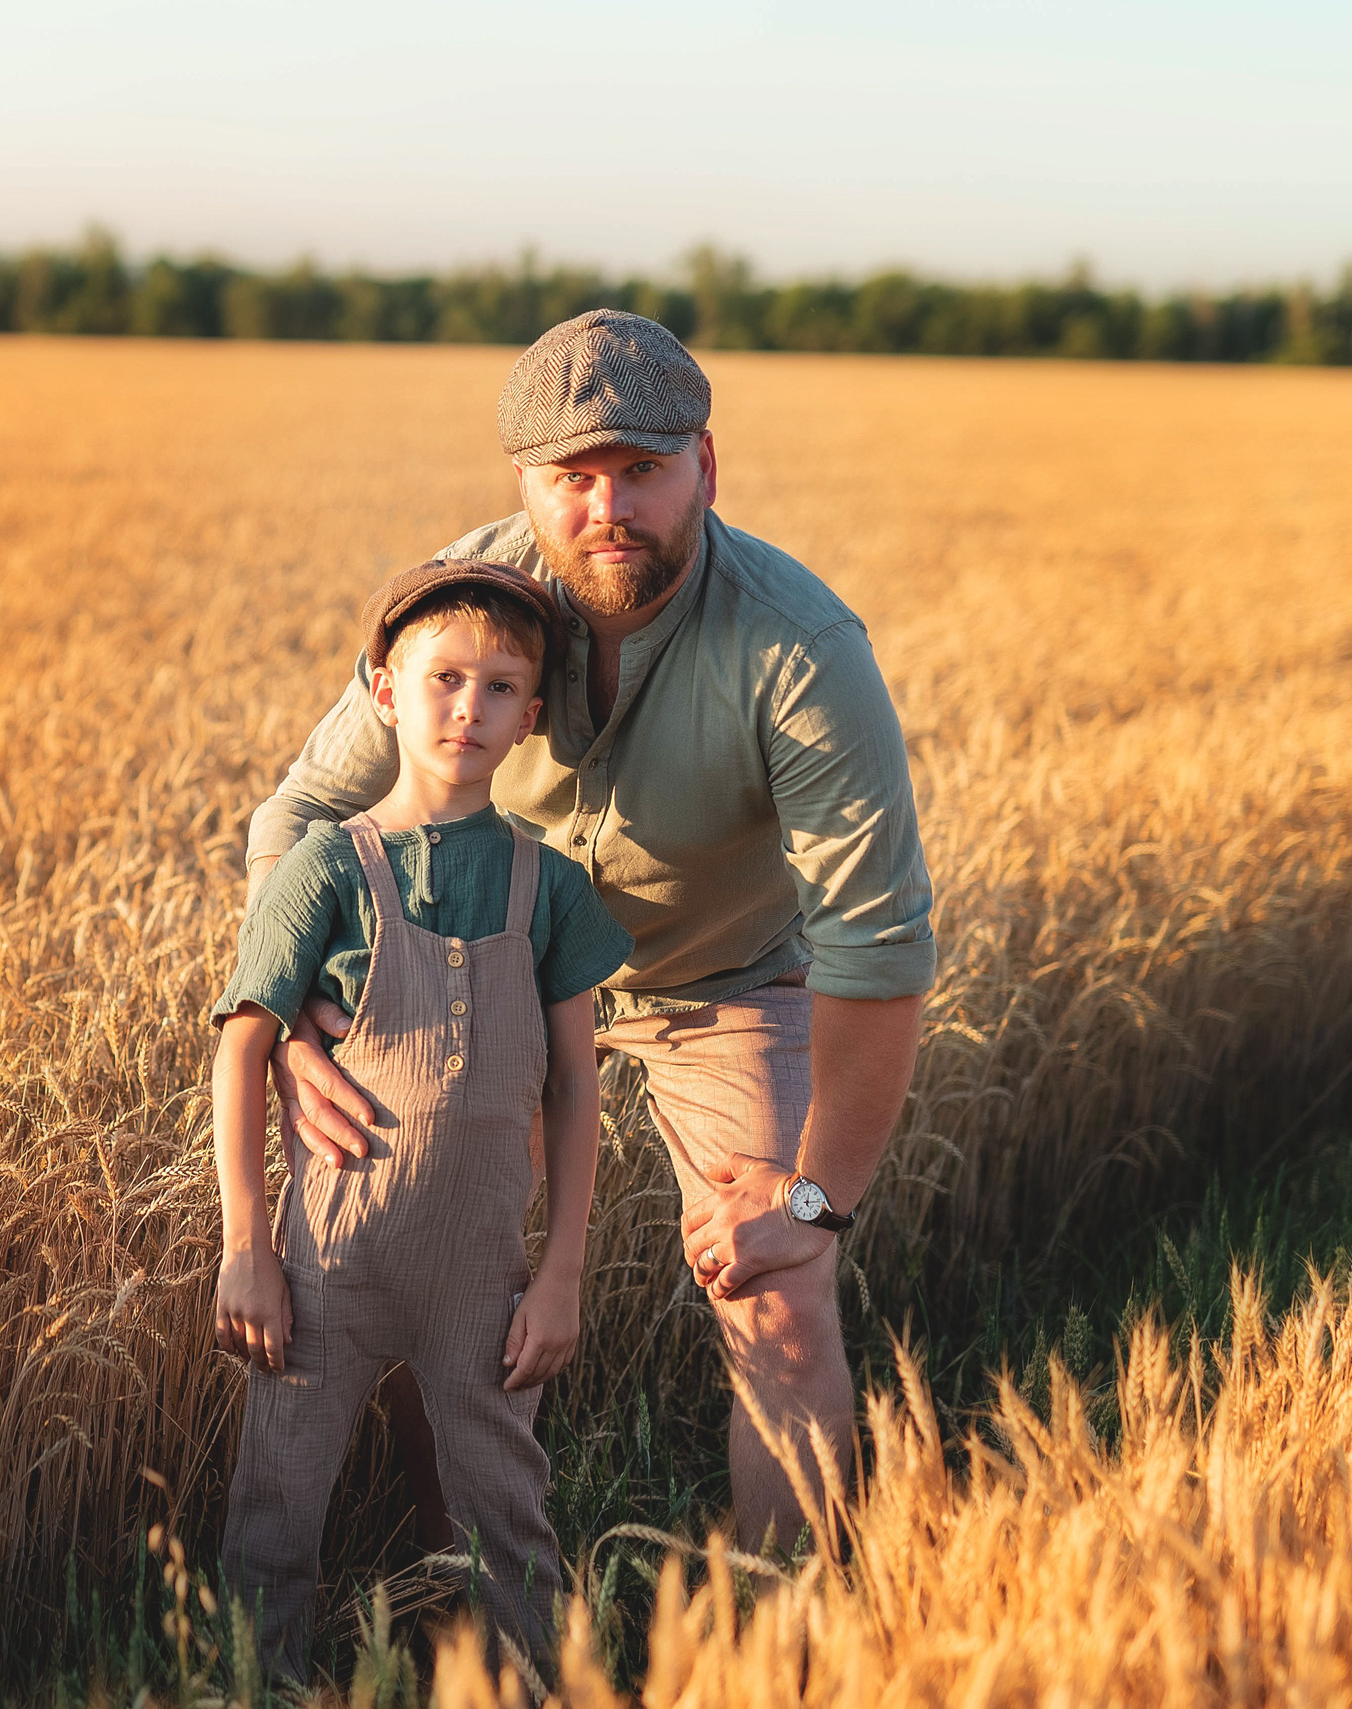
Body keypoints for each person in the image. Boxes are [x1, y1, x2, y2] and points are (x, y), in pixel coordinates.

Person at [248, 310, 935, 1554]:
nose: (606, 506)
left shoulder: (800, 646)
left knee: (779, 1294)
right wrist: (290, 1013)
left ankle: (775, 1635)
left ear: (704, 467)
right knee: (425, 1262)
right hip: (483, 972)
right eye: (572, 478)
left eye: (640, 470)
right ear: (524, 486)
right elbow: (298, 809)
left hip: (720, 978)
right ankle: (463, 1584)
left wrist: (819, 1196)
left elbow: (875, 942)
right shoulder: (455, 604)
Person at [208, 560, 634, 1679]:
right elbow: (242, 1050)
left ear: (530, 720)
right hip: (323, 1272)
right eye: (444, 677)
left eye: (501, 688)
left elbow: (576, 1089)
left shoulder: (548, 889)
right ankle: (261, 1686)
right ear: (385, 694)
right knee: (275, 1513)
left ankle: (523, 1684)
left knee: (509, 1523)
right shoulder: (326, 866)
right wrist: (247, 1250)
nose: (469, 707)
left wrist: (561, 1276)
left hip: (485, 1284)